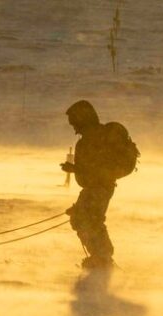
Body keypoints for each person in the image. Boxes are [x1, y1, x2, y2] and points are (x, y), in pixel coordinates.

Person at [59, 100, 119, 270]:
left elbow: (92, 172)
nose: (74, 129)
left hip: (97, 189)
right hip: (101, 188)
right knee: (83, 218)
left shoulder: (89, 142)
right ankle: (100, 258)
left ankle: (102, 260)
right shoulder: (99, 137)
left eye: (74, 123)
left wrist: (74, 169)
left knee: (89, 220)